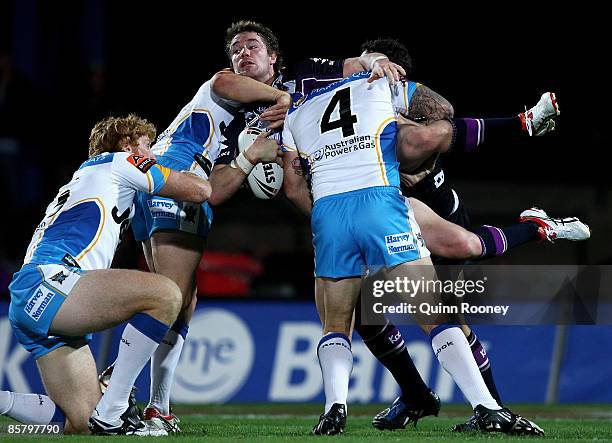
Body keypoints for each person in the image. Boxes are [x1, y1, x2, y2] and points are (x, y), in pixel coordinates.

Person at [281, 70, 544, 436]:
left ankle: (333, 411)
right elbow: (441, 111)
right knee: (434, 315)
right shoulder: (374, 82)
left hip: (328, 214)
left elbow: (293, 188)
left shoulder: (294, 114)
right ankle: (486, 408)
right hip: (380, 202)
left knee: (337, 323)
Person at [0, 114, 212, 435]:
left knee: (82, 422)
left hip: (35, 297)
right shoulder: (122, 161)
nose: (153, 155)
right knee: (166, 295)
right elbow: (199, 191)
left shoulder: (93, 176)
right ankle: (114, 410)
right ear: (128, 146)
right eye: (147, 146)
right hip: (54, 282)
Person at [127, 39, 289, 432]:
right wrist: (285, 96)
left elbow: (217, 190)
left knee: (181, 301)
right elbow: (222, 82)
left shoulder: (246, 123)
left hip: (172, 185)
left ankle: (157, 407)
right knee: (169, 298)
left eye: (253, 47)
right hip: (177, 175)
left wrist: (248, 158)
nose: (242, 54)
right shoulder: (226, 88)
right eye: (236, 49)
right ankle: (114, 394)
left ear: (273, 56)